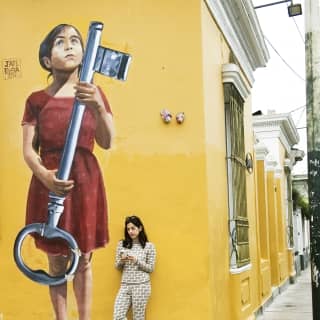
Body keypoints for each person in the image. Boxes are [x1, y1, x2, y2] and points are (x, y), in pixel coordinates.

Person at [21, 23, 114, 320]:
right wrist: (45, 176)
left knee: (84, 259)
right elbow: (28, 150)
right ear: (48, 60)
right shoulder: (36, 100)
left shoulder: (94, 93)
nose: (70, 46)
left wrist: (98, 107)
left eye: (75, 41)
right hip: (49, 182)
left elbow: (107, 141)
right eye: (60, 42)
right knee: (57, 261)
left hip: (85, 182)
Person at [113, 216, 156, 320]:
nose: (130, 231)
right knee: (118, 316)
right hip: (125, 285)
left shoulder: (149, 246)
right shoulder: (122, 245)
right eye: (128, 229)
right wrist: (122, 261)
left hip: (142, 286)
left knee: (138, 318)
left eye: (133, 228)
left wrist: (136, 261)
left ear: (140, 228)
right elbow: (117, 266)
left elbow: (150, 268)